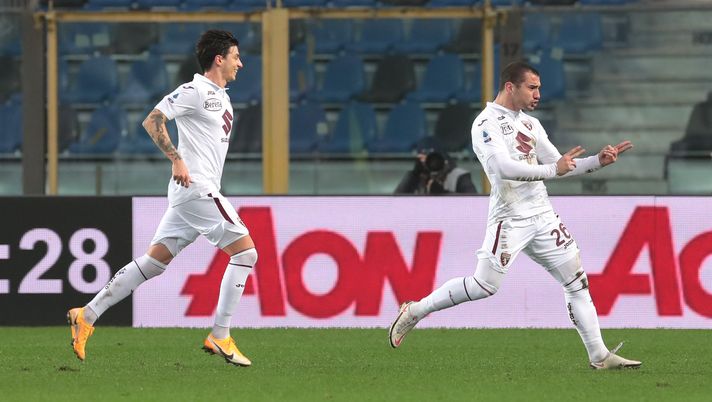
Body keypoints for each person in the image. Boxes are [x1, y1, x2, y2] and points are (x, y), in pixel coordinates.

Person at [388, 61, 641, 370]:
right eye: (532, 88)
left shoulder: (531, 124)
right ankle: (415, 311)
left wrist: (597, 162)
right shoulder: (486, 123)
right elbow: (502, 168)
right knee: (485, 286)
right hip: (510, 216)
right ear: (511, 87)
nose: (538, 95)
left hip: (543, 215)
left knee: (577, 283)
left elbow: (560, 165)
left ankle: (599, 356)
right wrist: (552, 169)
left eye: (539, 88)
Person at [67, 30, 256, 367]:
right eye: (235, 57)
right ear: (219, 59)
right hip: (197, 188)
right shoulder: (194, 90)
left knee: (154, 262)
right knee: (246, 253)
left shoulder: (222, 96)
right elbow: (153, 120)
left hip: (192, 192)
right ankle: (220, 334)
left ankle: (87, 314)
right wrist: (176, 158)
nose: (239, 63)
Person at [394, 143, 477, 195]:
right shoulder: (416, 176)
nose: (433, 164)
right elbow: (394, 205)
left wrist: (443, 193)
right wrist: (414, 175)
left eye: (436, 159)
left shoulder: (459, 176)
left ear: (445, 159)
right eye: (428, 159)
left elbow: (473, 204)